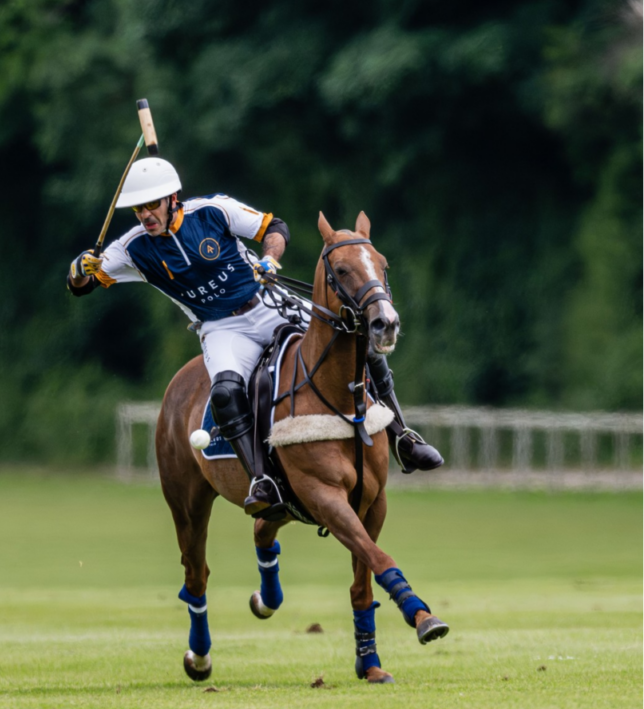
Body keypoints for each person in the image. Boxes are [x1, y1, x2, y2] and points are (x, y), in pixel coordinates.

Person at [66, 157, 441, 519]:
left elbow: (274, 227)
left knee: (358, 340)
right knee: (226, 392)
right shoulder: (132, 248)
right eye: (138, 209)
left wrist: (269, 259)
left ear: (171, 199)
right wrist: (80, 267)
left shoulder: (213, 211)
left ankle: (402, 436)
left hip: (267, 301)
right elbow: (81, 285)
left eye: (152, 205)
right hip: (221, 328)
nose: (145, 214)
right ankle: (262, 480)